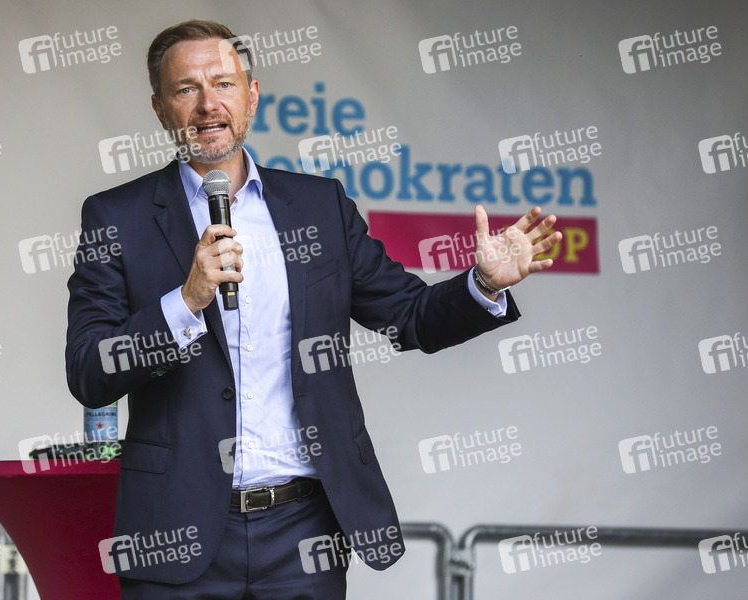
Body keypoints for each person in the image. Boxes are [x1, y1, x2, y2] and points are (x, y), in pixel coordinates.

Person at [66, 19, 561, 600]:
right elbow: (90, 371)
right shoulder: (116, 218)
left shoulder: (319, 206)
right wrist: (186, 301)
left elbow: (410, 316)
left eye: (223, 84)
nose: (207, 105)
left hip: (304, 531)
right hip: (176, 533)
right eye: (185, 89)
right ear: (159, 108)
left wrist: (482, 283)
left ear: (252, 95)